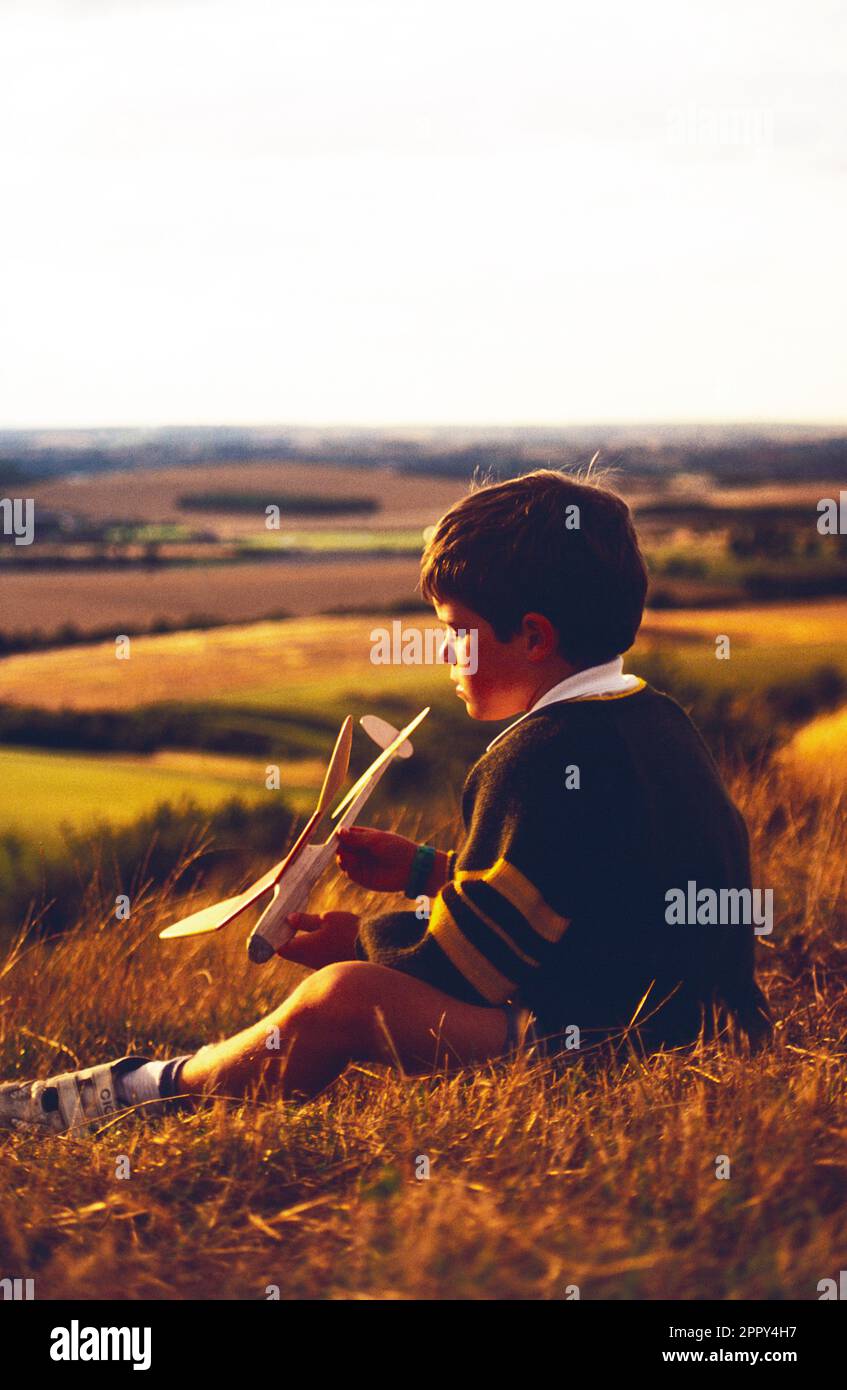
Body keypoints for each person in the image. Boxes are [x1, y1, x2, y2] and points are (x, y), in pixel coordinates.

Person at [0, 470, 771, 1135]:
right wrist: (428, 870)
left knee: (342, 1000)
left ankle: (143, 1094)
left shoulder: (535, 757)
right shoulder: (653, 719)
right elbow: (579, 887)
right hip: (709, 1028)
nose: (441, 652)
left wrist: (357, 940)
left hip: (608, 1047)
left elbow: (472, 969)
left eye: (456, 630)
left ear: (532, 637)